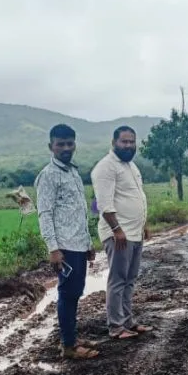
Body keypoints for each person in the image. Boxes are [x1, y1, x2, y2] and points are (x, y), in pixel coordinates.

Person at [34, 124, 98, 360]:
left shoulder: (72, 172)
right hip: (65, 247)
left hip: (78, 244)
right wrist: (53, 248)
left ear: (75, 145)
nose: (65, 148)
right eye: (60, 144)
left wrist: (89, 242)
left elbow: (80, 211)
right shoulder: (48, 176)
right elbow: (45, 214)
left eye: (69, 143)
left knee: (76, 292)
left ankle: (71, 336)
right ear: (51, 146)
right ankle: (69, 346)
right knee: (67, 294)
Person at [90, 125, 154, 340]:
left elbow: (137, 197)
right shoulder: (106, 167)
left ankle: (128, 321)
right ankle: (116, 326)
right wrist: (117, 230)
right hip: (119, 234)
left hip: (133, 232)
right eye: (124, 142)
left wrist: (143, 224)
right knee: (118, 280)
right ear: (114, 143)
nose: (128, 146)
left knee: (130, 279)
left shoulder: (131, 166)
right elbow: (104, 203)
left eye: (131, 142)